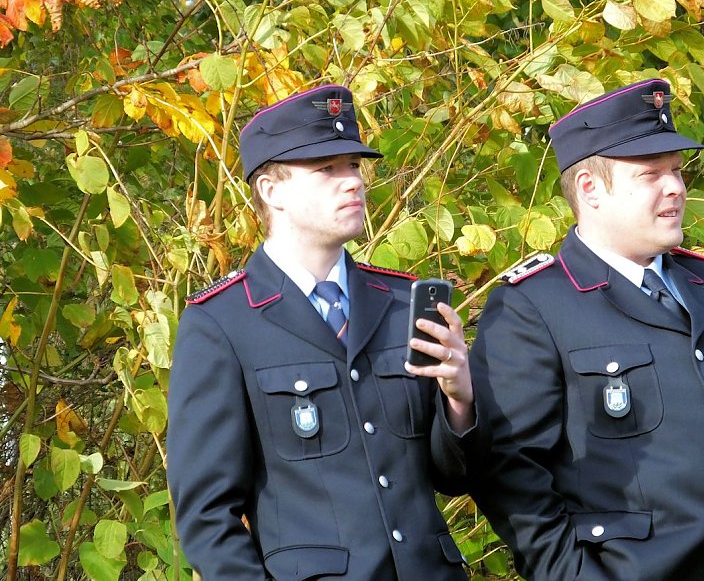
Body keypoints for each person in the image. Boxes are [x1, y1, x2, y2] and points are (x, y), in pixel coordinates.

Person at [468, 79, 704, 581]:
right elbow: (512, 477)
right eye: (651, 175)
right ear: (590, 189)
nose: (676, 189)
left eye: (677, 172)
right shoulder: (532, 306)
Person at [166, 84, 481, 580]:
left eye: (354, 166)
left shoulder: (401, 304)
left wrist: (460, 400)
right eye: (326, 170)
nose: (352, 182)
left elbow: (453, 476)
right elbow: (208, 520)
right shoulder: (222, 323)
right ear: (273, 191)